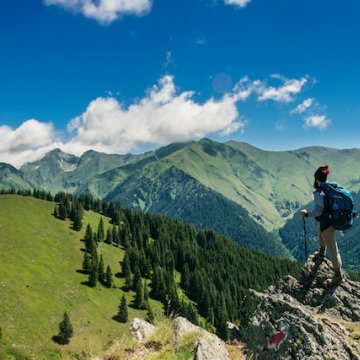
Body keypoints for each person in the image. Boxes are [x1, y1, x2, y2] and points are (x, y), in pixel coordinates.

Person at [300, 165, 342, 285]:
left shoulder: (319, 193)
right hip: (331, 220)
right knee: (320, 231)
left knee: (333, 249)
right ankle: (322, 251)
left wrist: (307, 214)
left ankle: (338, 274)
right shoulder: (329, 187)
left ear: (317, 179)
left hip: (327, 223)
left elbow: (318, 210)